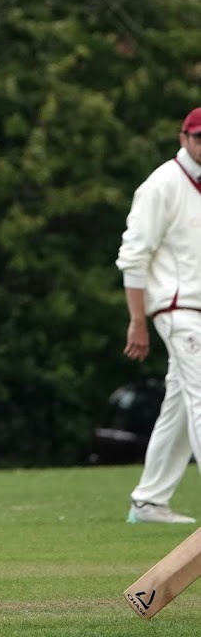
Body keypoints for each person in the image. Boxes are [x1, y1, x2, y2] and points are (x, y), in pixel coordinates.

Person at [116, 106, 201, 524]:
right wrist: (137, 320)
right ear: (183, 139)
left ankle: (148, 502)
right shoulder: (162, 184)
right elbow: (134, 256)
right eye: (199, 138)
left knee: (181, 407)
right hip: (177, 309)